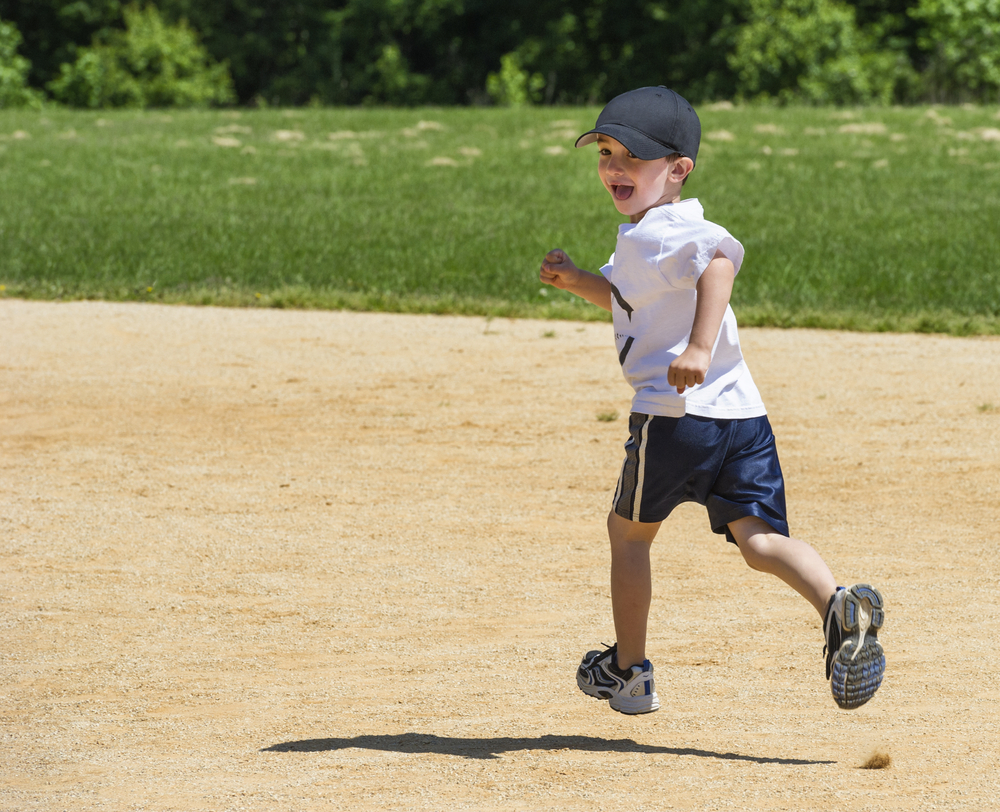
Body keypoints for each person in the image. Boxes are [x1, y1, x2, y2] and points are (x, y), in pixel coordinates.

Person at [539, 86, 885, 714]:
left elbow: (719, 261)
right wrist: (576, 281)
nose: (615, 168)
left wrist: (698, 347)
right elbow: (628, 299)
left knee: (629, 536)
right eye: (606, 152)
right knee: (760, 542)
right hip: (742, 417)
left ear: (677, 170)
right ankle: (838, 604)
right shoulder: (654, 231)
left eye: (633, 158)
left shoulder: (669, 231)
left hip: (674, 418)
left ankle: (628, 671)